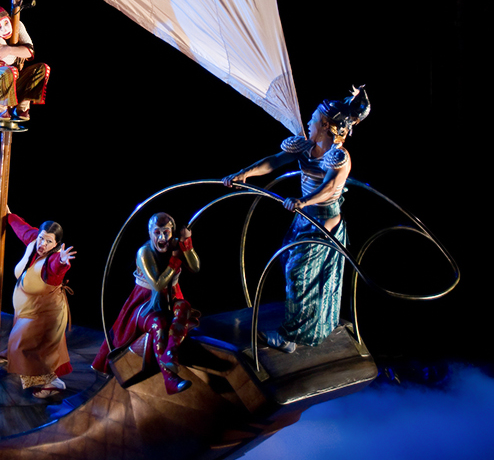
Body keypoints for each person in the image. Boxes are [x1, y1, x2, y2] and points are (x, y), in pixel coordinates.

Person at [224, 87, 370, 353]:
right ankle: (305, 322)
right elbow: (274, 161)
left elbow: (328, 187)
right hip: (303, 219)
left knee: (298, 273)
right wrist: (245, 173)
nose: (308, 123)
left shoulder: (338, 157)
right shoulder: (306, 146)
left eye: (313, 119)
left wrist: (303, 201)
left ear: (326, 126)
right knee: (287, 265)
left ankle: (290, 337)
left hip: (324, 224)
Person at [92, 213, 200, 393]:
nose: (162, 238)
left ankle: (169, 355)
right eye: (157, 233)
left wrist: (187, 244)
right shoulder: (144, 253)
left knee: (184, 308)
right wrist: (174, 262)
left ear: (172, 231)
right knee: (159, 323)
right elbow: (157, 285)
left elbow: (195, 267)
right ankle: (170, 379)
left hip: (172, 296)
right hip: (145, 303)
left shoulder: (174, 245)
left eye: (166, 232)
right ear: (149, 233)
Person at [0, 206, 76, 399]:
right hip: (31, 308)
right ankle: (14, 354)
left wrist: (63, 262)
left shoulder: (52, 260)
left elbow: (56, 269)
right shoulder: (36, 242)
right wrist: (9, 216)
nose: (42, 243)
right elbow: (23, 229)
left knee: (23, 345)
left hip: (46, 314)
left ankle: (50, 384)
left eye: (48, 241)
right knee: (25, 343)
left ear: (57, 244)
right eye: (41, 237)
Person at [0, 6, 49, 120]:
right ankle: (0, 106)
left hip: (14, 78)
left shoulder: (17, 25)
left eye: (6, 23)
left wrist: (9, 49)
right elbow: (11, 60)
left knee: (42, 68)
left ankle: (22, 106)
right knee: (9, 71)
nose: (5, 29)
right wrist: (20, 50)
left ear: (9, 19)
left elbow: (30, 52)